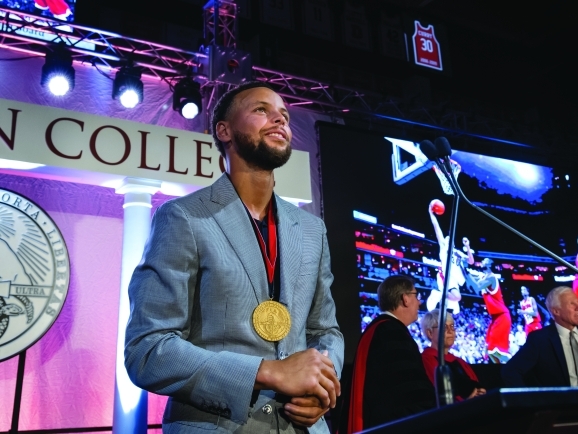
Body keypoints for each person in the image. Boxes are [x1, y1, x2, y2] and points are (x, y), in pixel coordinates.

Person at [124, 82, 344, 433]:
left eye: (284, 115)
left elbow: (325, 330)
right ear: (223, 130)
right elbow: (147, 350)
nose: (279, 119)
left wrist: (320, 385)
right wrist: (266, 372)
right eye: (261, 110)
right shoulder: (183, 217)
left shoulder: (311, 229)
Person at [341, 275, 435, 433]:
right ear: (405, 298)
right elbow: (409, 396)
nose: (419, 302)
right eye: (416, 295)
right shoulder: (392, 333)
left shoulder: (379, 330)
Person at [501, 286, 578, 387]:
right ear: (556, 311)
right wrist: (531, 403)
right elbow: (510, 371)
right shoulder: (540, 340)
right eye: (572, 304)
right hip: (566, 407)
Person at [420, 309, 485, 401]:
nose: (450, 331)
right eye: (444, 327)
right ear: (430, 333)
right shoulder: (426, 360)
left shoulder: (460, 361)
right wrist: (466, 402)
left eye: (452, 326)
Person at [426, 200, 474, 315]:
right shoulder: (443, 247)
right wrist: (431, 214)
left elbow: (471, 262)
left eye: (449, 238)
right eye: (446, 238)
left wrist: (467, 246)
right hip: (445, 274)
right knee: (457, 297)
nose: (448, 238)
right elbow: (437, 228)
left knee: (455, 302)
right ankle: (437, 294)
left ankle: (441, 300)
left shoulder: (457, 252)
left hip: (454, 279)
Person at [465, 258, 511, 364]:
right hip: (495, 317)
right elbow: (470, 282)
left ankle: (515, 368)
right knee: (490, 351)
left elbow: (477, 286)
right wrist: (464, 270)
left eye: (485, 261)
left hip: (502, 316)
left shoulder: (491, 277)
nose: (482, 261)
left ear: (490, 265)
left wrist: (467, 271)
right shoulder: (483, 276)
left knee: (497, 351)